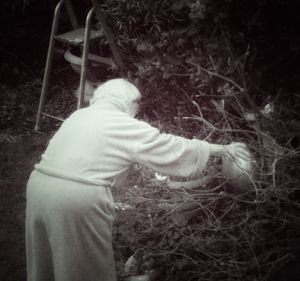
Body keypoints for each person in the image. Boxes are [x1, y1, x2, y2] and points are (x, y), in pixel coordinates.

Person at [26, 78, 250, 281]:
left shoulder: (78, 115)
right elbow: (170, 147)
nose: (136, 112)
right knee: (84, 268)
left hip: (38, 187)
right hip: (74, 201)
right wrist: (221, 149)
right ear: (130, 102)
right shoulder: (121, 123)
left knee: (46, 258)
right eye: (136, 106)